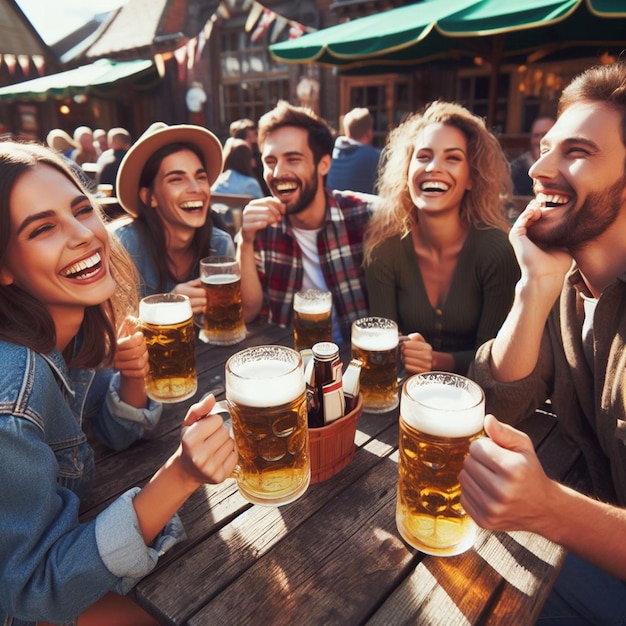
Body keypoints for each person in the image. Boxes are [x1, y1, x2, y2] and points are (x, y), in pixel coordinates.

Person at [0, 141, 236, 624]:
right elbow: (33, 589)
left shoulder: (68, 329)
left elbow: (109, 434)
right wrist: (182, 474)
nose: (83, 234)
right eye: (43, 228)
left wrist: (132, 377)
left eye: (82, 209)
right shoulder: (14, 387)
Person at [461, 62, 626, 623]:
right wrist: (535, 286)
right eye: (545, 148)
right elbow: (502, 400)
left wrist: (549, 508)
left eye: (575, 152)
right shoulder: (570, 282)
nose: (539, 168)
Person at [364, 101, 519, 376]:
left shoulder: (497, 250)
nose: (434, 167)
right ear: (407, 172)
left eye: (453, 158)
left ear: (472, 177)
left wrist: (436, 360)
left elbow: (496, 357)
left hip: (479, 399)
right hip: (405, 396)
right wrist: (402, 347)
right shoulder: (384, 248)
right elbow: (382, 340)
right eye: (423, 156)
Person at [237, 100, 375, 342]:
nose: (278, 173)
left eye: (293, 159)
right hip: (288, 365)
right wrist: (245, 242)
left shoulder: (365, 217)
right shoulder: (261, 227)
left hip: (356, 366)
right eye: (270, 162)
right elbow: (247, 313)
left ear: (323, 164)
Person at [113, 122, 235, 316]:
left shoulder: (219, 243)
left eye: (200, 177)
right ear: (149, 197)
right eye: (176, 179)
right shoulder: (123, 245)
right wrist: (168, 306)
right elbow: (113, 327)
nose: (196, 188)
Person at [326, 107, 381, 194]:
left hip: (334, 206)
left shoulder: (334, 153)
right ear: (369, 133)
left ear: (348, 134)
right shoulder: (374, 157)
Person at [510, 115, 555, 196]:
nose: (540, 140)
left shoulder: (563, 167)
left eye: (545, 134)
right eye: (536, 135)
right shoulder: (516, 168)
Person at [229, 117, 270, 195]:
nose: (253, 140)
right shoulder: (235, 157)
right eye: (248, 137)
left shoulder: (260, 155)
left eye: (254, 136)